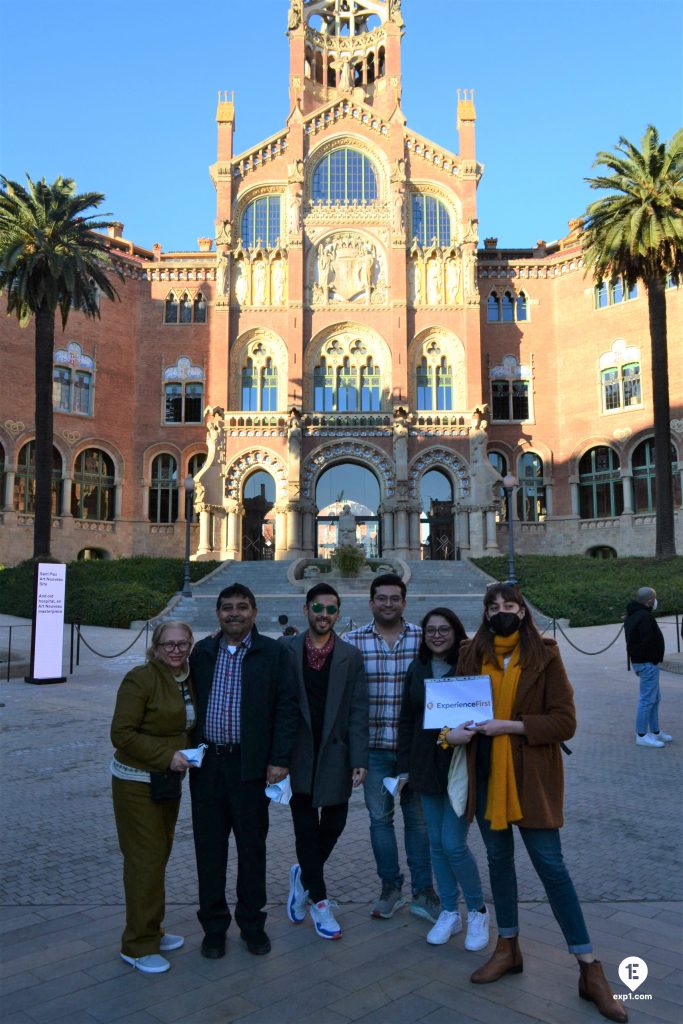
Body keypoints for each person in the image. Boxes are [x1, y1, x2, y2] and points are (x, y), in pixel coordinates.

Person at [457, 583, 627, 1023]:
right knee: (499, 863)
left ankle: (589, 966)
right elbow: (454, 710)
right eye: (493, 606)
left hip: (531, 779)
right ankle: (508, 946)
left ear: (522, 611)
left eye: (509, 605)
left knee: (552, 868)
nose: (501, 611)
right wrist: (453, 730)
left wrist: (509, 726)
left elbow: (565, 722)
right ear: (485, 613)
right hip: (487, 777)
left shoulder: (545, 655)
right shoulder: (471, 654)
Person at [189, 584, 298, 959]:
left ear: (254, 612)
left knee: (251, 849)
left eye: (241, 607)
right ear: (217, 613)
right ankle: (214, 928)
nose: (234, 613)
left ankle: (252, 924)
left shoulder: (273, 652)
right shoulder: (203, 652)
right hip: (207, 766)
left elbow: (286, 707)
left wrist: (280, 758)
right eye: (227, 607)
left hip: (249, 767)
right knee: (209, 850)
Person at [343, 573, 438, 922]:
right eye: (381, 598)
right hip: (373, 750)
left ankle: (424, 891)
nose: (388, 604)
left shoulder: (423, 639)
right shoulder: (351, 641)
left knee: (419, 823)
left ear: (404, 602)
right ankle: (390, 888)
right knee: (379, 821)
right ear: (370, 603)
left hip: (414, 751)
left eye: (394, 598)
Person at [398, 608, 490, 952]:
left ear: (456, 631)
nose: (437, 635)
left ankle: (478, 910)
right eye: (430, 630)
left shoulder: (469, 667)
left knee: (453, 843)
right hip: (426, 767)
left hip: (459, 768)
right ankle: (450, 911)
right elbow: (407, 721)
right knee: (436, 843)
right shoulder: (417, 668)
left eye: (444, 629)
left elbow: (479, 715)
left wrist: (449, 737)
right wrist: (404, 767)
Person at [111, 620, 196, 975]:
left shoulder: (187, 678)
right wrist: (166, 756)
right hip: (137, 782)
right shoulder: (141, 679)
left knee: (158, 856)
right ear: (155, 647)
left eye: (182, 644)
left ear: (190, 645)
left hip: (166, 781)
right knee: (144, 860)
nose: (175, 650)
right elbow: (121, 734)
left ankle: (152, 930)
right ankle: (137, 945)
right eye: (168, 644)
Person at [285, 583, 369, 940]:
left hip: (336, 753)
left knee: (334, 824)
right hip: (299, 754)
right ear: (306, 610)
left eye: (331, 609)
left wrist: (359, 757)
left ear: (338, 613)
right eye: (318, 608)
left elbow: (358, 709)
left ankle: (303, 876)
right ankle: (319, 902)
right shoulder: (285, 649)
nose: (324, 615)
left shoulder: (351, 655)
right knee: (305, 829)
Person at [624, 587, 670, 748]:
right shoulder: (643, 616)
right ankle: (642, 735)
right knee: (647, 699)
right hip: (647, 663)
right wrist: (653, 658)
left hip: (645, 662)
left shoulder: (635, 615)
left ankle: (655, 731)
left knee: (655, 698)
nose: (655, 601)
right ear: (650, 600)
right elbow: (646, 641)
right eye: (654, 598)